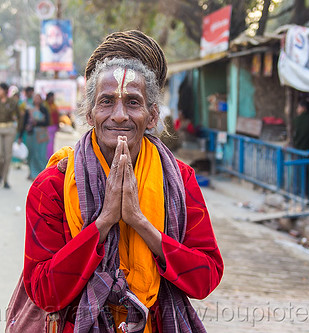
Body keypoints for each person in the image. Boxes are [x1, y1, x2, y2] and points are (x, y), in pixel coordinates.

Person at [19, 30, 223, 333]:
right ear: (89, 113)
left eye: (132, 102)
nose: (118, 116)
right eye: (106, 102)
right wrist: (102, 223)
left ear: (152, 115)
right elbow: (44, 292)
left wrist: (141, 223)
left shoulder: (179, 180)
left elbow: (205, 277)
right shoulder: (52, 186)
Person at [292, 99, 309, 201]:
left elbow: (294, 135)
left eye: (298, 107)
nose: (297, 109)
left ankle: (300, 195)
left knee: (300, 174)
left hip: (298, 151)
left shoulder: (297, 120)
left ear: (303, 108)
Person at [19, 93, 49, 180]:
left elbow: (47, 121)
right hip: (31, 134)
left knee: (40, 155)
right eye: (35, 98)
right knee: (31, 154)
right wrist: (20, 136)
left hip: (42, 134)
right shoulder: (29, 110)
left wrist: (37, 123)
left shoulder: (44, 109)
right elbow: (24, 123)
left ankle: (43, 174)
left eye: (38, 98)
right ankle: (33, 173)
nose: (37, 100)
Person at [44, 91, 59, 159]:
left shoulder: (54, 105)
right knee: (48, 143)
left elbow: (57, 116)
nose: (53, 98)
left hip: (54, 126)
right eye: (52, 97)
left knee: (52, 143)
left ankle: (50, 157)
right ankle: (47, 157)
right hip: (47, 127)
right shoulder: (45, 105)